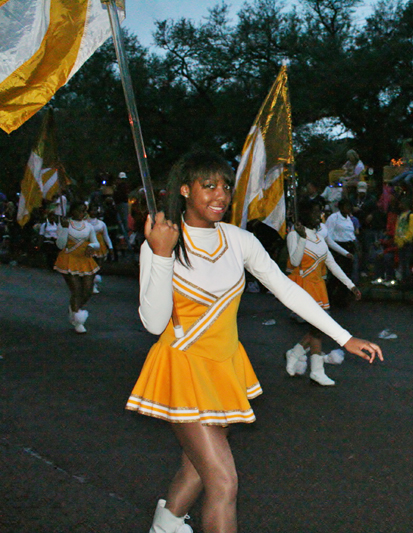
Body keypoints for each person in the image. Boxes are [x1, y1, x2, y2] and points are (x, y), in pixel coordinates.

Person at [125, 152, 382, 533]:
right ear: (185, 190)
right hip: (185, 370)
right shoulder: (162, 241)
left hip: (225, 367)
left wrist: (343, 338)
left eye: (225, 186)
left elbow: (286, 290)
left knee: (197, 464)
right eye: (208, 186)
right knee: (223, 481)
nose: (221, 195)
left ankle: (166, 526)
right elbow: (153, 322)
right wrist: (162, 255)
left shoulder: (239, 240)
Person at [285, 200, 364, 385]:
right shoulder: (294, 235)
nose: (319, 216)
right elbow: (295, 261)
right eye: (314, 212)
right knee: (319, 328)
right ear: (305, 215)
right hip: (303, 287)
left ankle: (295, 353)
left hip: (318, 287)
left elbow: (332, 264)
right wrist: (302, 238)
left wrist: (351, 285)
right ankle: (316, 371)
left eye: (319, 212)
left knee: (319, 328)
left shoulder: (319, 238)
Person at [54, 200, 100, 334]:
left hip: (85, 259)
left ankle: (74, 308)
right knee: (76, 290)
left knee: (88, 290)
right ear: (72, 211)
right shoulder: (65, 224)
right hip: (69, 259)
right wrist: (64, 228)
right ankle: (78, 320)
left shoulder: (88, 226)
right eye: (79, 210)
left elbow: (96, 243)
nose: (82, 213)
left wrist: (91, 246)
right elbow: (60, 245)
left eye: (84, 211)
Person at [325, 198, 359, 306]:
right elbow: (328, 237)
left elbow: (351, 235)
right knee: (336, 275)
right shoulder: (333, 218)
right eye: (346, 206)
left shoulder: (349, 219)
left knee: (347, 275)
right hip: (338, 248)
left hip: (349, 247)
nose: (348, 208)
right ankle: (328, 297)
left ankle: (342, 299)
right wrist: (343, 252)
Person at [87, 204, 113, 293]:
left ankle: (93, 283)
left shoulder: (101, 223)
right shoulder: (84, 223)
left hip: (100, 246)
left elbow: (106, 236)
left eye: (95, 210)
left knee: (98, 267)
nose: (93, 212)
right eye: (92, 210)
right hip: (89, 245)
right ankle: (90, 284)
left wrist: (110, 247)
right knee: (90, 266)